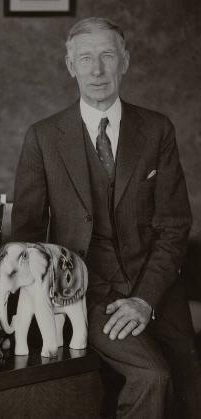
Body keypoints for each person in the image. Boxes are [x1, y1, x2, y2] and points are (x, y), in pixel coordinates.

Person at [11, 17, 201, 419]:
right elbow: (26, 237)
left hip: (156, 290)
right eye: (85, 58)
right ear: (70, 66)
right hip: (83, 293)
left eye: (107, 56)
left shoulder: (157, 130)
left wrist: (145, 299)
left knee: (190, 386)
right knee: (152, 376)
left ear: (125, 62)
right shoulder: (43, 138)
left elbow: (174, 228)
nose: (97, 70)